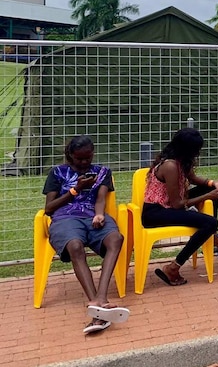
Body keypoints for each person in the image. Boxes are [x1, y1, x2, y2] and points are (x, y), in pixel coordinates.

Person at [42, 135, 130, 334]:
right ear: (70, 155)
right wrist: (75, 190)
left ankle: (100, 298)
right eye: (79, 159)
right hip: (65, 219)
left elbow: (101, 198)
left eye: (87, 158)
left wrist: (99, 214)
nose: (83, 163)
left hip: (92, 217)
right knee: (74, 246)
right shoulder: (57, 172)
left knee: (116, 238)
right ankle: (98, 305)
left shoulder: (102, 172)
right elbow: (49, 208)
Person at [141, 127, 218, 287]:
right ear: (188, 149)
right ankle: (173, 268)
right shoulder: (170, 166)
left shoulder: (180, 160)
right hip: (156, 212)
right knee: (210, 223)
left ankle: (213, 237)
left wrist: (213, 184)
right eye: (196, 150)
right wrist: (208, 197)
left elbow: (193, 178)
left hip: (168, 207)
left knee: (209, 190)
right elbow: (177, 204)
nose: (197, 153)